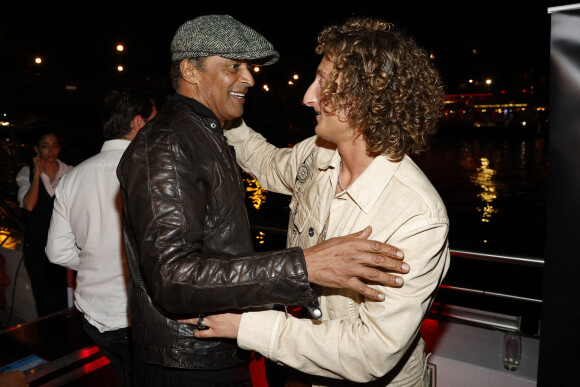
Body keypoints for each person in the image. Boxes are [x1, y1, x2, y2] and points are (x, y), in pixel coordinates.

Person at [117, 14, 409, 387]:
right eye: (234, 66)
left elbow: (266, 164)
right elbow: (172, 278)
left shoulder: (203, 133)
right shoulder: (167, 145)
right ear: (191, 70)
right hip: (188, 361)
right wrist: (303, 266)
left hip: (212, 348)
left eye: (249, 67)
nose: (250, 78)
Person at [185, 17, 451, 386]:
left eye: (323, 83)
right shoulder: (316, 153)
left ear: (364, 97)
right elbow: (265, 162)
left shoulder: (416, 215)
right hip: (300, 369)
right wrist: (224, 113)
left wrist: (245, 326)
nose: (308, 96)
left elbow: (370, 352)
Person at [45, 88, 157, 387]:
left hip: (94, 316)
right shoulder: (150, 172)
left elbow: (56, 252)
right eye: (153, 121)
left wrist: (96, 260)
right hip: (139, 318)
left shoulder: (72, 177)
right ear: (138, 123)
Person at [16, 130, 73, 318]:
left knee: (64, 297)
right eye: (45, 146)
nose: (51, 151)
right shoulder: (27, 172)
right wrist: (37, 175)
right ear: (36, 149)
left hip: (63, 243)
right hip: (36, 244)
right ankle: (49, 340)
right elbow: (29, 205)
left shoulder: (70, 172)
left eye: (55, 146)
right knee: (43, 297)